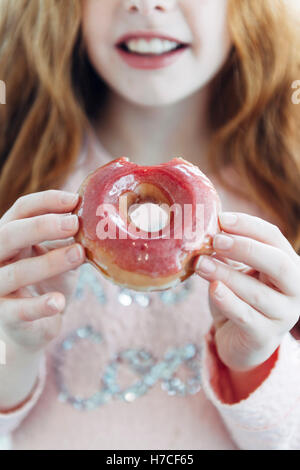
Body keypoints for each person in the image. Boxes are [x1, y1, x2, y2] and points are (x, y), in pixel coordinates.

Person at [0, 0, 299, 451]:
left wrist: (254, 360)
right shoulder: (17, 195)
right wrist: (14, 349)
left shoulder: (287, 198)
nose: (147, 3)